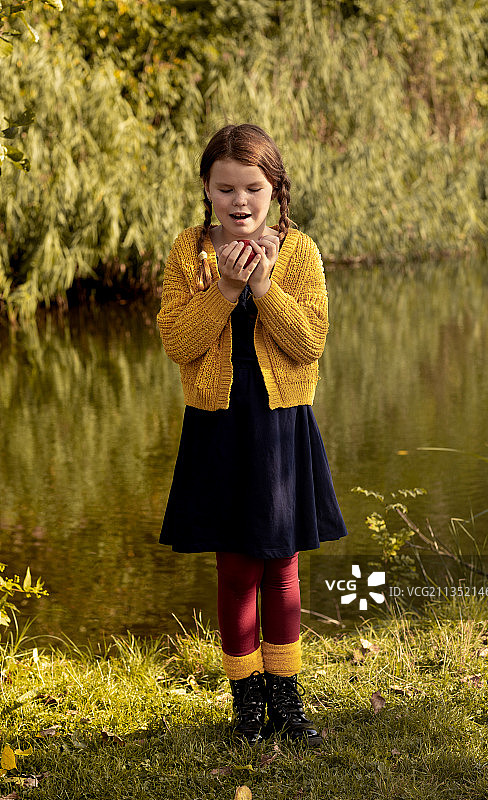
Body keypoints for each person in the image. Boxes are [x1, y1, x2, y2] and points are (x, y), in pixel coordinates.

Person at [157, 123, 349, 748]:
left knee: (281, 565)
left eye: (253, 189)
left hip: (279, 425)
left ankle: (287, 698)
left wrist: (262, 287)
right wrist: (226, 289)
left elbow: (309, 342)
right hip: (217, 425)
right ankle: (247, 702)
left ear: (275, 191)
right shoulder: (189, 253)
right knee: (237, 566)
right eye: (225, 189)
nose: (239, 201)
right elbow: (179, 342)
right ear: (206, 191)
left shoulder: (300, 252)